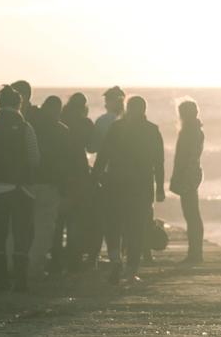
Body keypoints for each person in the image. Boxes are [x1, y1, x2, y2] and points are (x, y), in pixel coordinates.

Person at [94, 95, 165, 284]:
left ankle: (116, 260)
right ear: (144, 110)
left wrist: (95, 176)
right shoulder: (151, 130)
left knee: (114, 225)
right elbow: (159, 161)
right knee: (136, 229)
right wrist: (160, 188)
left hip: (115, 184)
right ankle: (131, 271)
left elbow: (103, 154)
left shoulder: (116, 127)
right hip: (141, 186)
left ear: (127, 108)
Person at [0, 85, 40, 292]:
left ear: (0, 104)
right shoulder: (25, 127)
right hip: (21, 189)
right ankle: (20, 281)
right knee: (22, 234)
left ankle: (1, 281)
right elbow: (34, 158)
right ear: (19, 104)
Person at [27, 95, 71, 280]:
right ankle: (35, 266)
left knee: (27, 226)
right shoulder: (62, 131)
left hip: (29, 183)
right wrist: (65, 188)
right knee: (45, 229)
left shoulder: (31, 127)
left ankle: (20, 263)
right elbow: (66, 163)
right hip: (50, 184)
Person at [81, 85, 125, 268]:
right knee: (122, 217)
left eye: (107, 100)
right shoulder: (129, 121)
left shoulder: (104, 121)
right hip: (126, 175)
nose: (105, 103)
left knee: (101, 216)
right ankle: (119, 255)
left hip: (106, 175)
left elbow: (92, 148)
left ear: (112, 101)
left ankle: (94, 256)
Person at [51, 92, 94, 274]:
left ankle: (55, 260)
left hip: (59, 172)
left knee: (58, 220)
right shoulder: (85, 123)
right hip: (79, 173)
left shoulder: (60, 120)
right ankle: (74, 260)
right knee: (76, 220)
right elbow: (92, 147)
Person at [169, 100, 205, 264]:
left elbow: (184, 158)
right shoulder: (195, 130)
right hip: (192, 174)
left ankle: (195, 254)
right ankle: (195, 252)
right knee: (192, 215)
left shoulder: (189, 131)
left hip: (188, 175)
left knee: (191, 215)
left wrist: (180, 178)